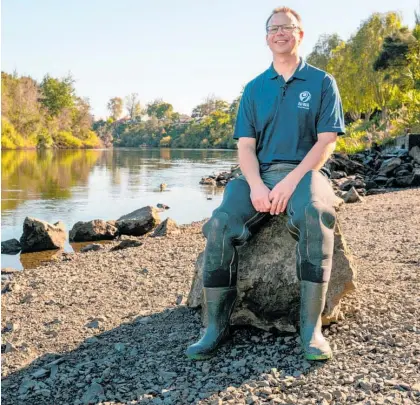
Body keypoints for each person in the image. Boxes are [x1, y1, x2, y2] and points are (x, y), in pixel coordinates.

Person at [186, 6, 345, 361]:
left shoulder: (322, 82)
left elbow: (326, 142)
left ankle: (311, 330)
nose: (280, 32)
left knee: (316, 215)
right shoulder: (255, 88)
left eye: (288, 27)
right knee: (220, 223)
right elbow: (245, 147)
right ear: (266, 37)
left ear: (300, 35)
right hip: (259, 172)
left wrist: (290, 182)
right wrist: (256, 186)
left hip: (305, 173)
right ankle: (215, 327)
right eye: (273, 28)